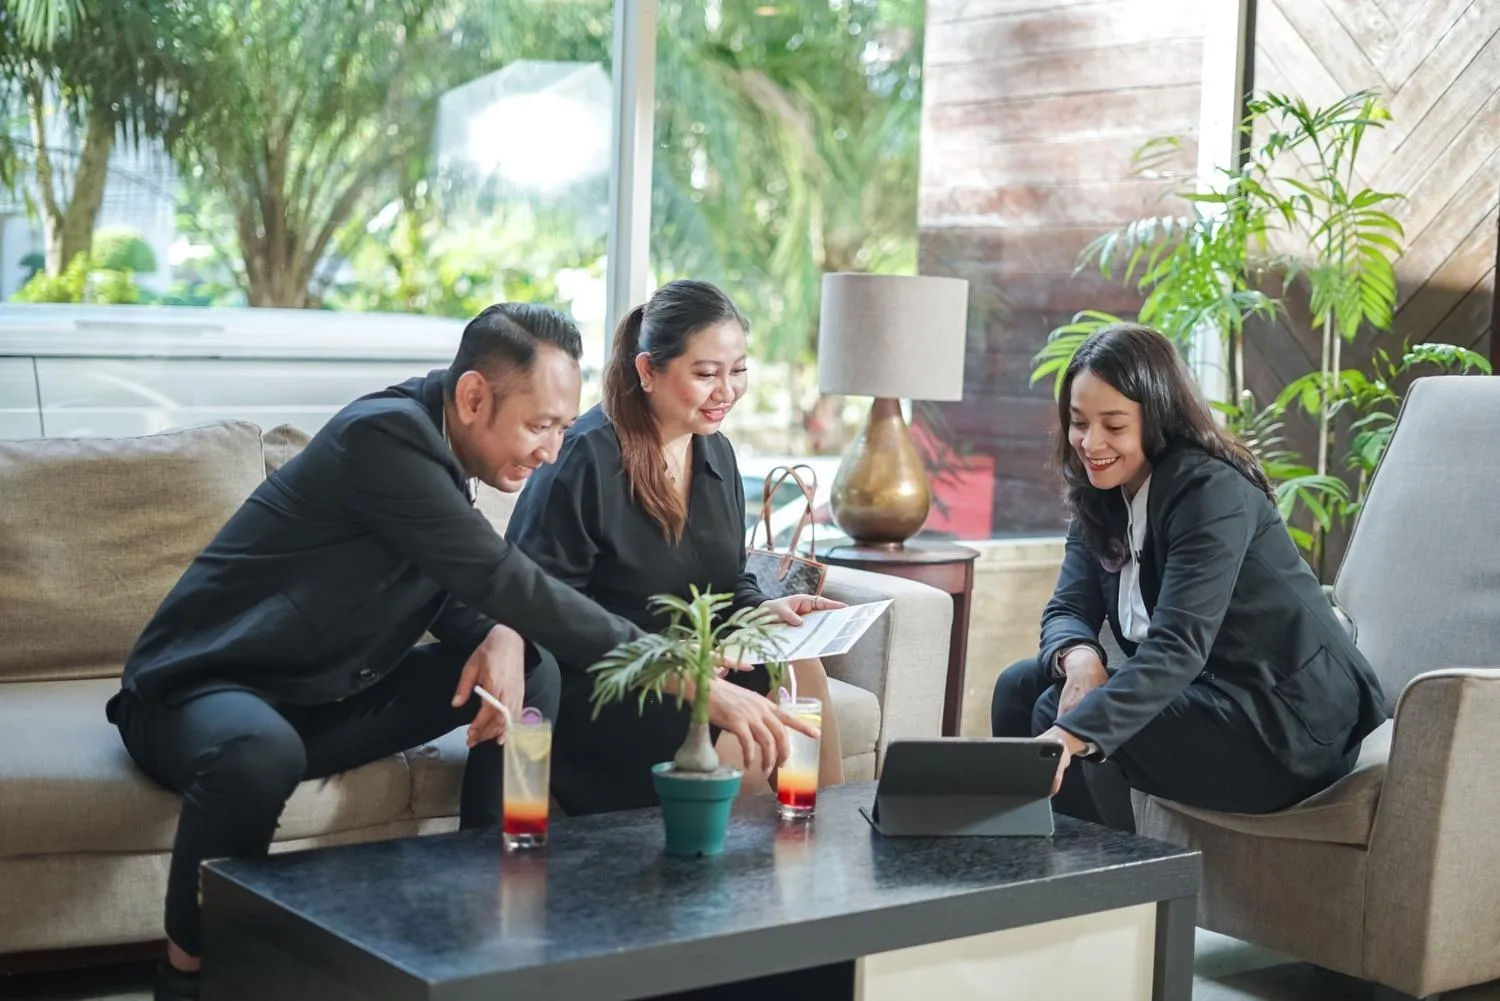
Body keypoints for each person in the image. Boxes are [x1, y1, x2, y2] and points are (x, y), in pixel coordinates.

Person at [107, 303, 651, 1001]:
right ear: (474, 396)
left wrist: (497, 634)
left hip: (316, 700)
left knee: (531, 670)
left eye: (562, 428)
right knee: (259, 749)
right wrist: (668, 668)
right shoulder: (384, 439)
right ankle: (189, 975)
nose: (550, 449)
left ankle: (489, 913)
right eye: (539, 425)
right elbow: (497, 575)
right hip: (193, 696)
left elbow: (456, 588)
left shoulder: (442, 457)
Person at [991, 323, 1386, 830]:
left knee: (1055, 713)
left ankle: (1099, 897)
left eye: (1113, 426)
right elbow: (1067, 610)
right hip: (1205, 697)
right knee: (1017, 686)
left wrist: (1068, 735)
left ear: (1156, 418)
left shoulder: (1209, 493)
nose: (1090, 443)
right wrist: (1081, 658)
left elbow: (1177, 647)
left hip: (1285, 723)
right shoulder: (1102, 494)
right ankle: (1015, 865)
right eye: (1078, 422)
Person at [504, 279, 846, 816]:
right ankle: (732, 878)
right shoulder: (585, 459)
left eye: (738, 371)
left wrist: (763, 609)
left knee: (800, 665)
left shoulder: (718, 454)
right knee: (749, 724)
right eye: (706, 374)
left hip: (700, 667)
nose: (727, 392)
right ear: (647, 371)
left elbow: (731, 579)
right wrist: (677, 665)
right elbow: (544, 613)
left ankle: (827, 850)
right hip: (607, 685)